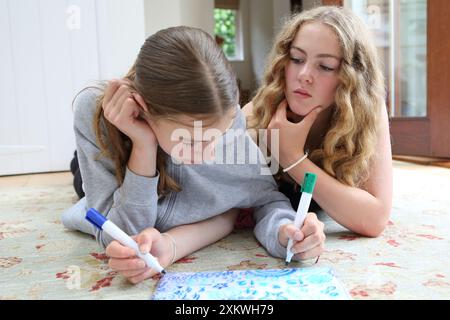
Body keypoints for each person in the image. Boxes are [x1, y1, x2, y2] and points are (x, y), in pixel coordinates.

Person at [62, 26, 325, 284]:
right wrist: (143, 144)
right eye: (189, 141)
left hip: (174, 185)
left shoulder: (227, 116)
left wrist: (285, 233)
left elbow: (264, 198)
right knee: (81, 181)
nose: (206, 154)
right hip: (120, 156)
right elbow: (121, 235)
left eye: (216, 137)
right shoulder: (95, 112)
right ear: (144, 110)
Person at [244, 6, 393, 237]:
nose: (304, 74)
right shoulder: (259, 111)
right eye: (296, 59)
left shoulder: (367, 109)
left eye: (325, 66)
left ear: (350, 79)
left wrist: (291, 157)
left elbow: (375, 219)